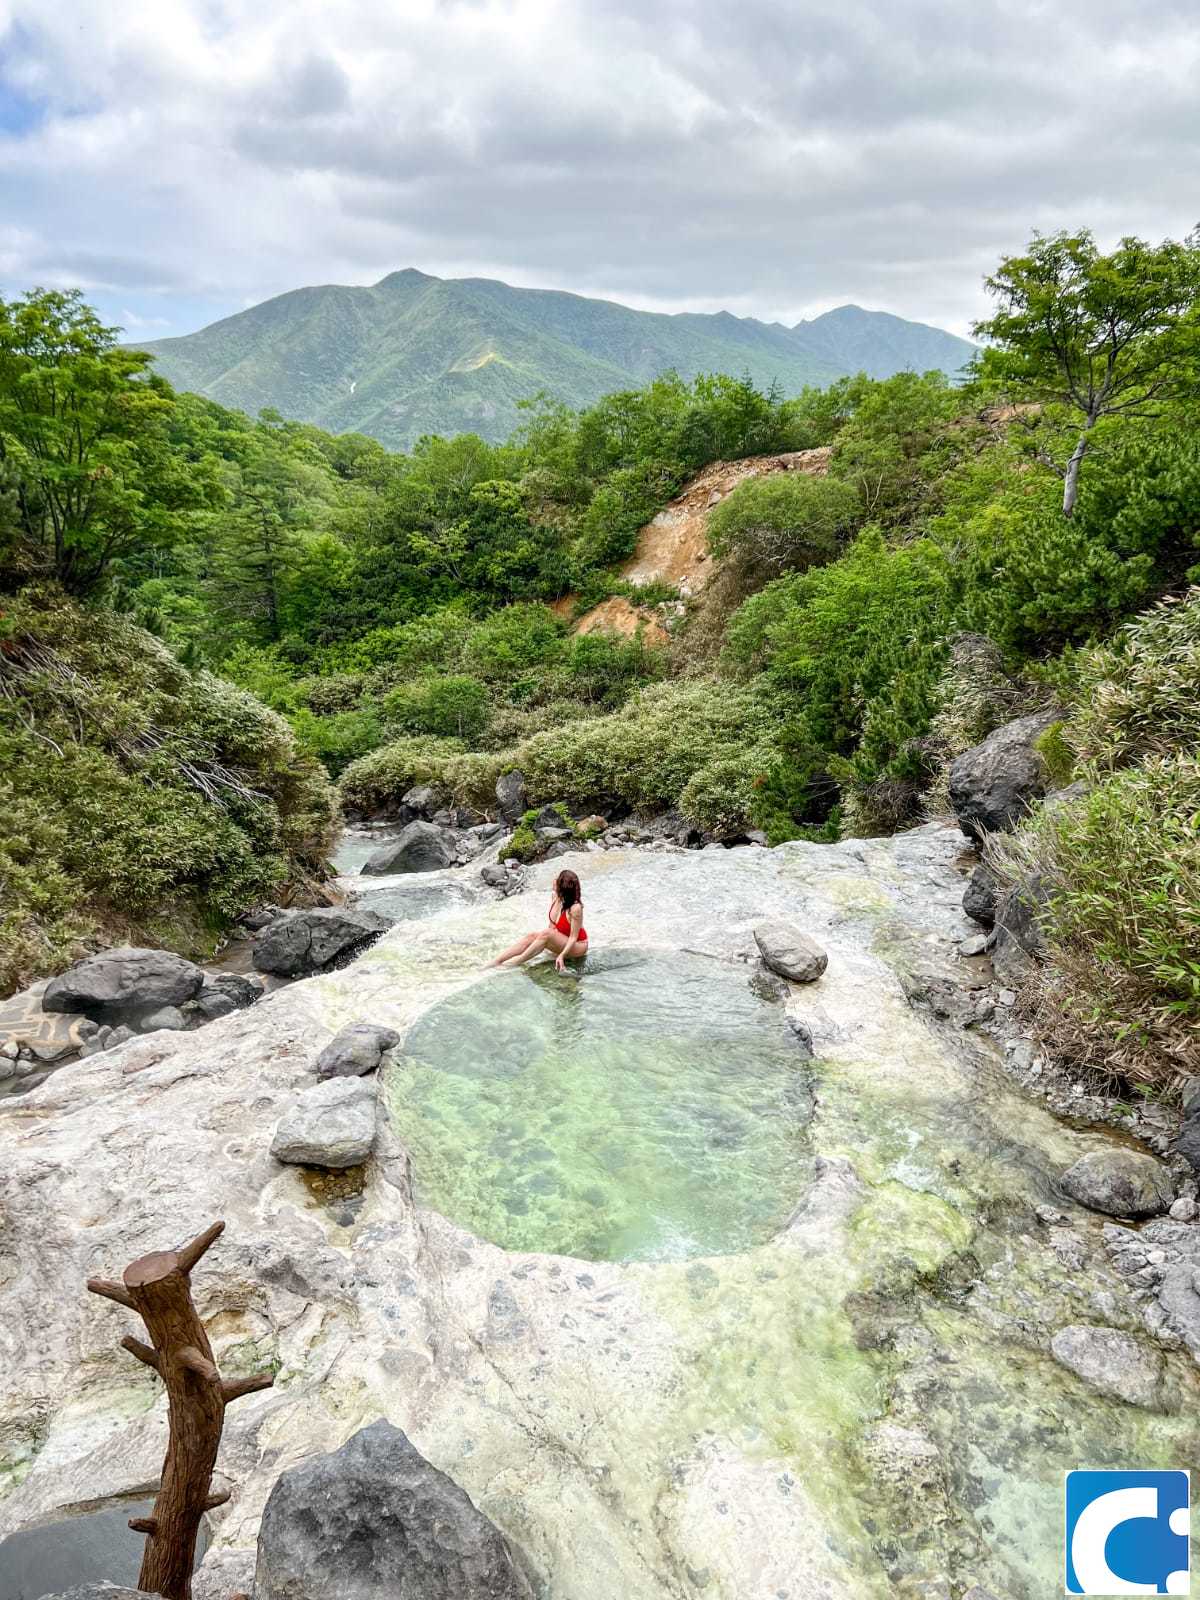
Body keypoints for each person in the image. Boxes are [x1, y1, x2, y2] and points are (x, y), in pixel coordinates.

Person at [486, 869, 588, 971]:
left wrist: (561, 955)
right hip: (563, 939)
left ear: (562, 888)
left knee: (546, 933)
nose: (554, 879)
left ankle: (515, 962)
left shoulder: (575, 908)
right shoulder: (555, 897)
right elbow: (552, 927)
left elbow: (573, 937)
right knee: (532, 936)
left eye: (558, 879)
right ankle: (496, 961)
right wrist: (542, 944)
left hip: (578, 945)